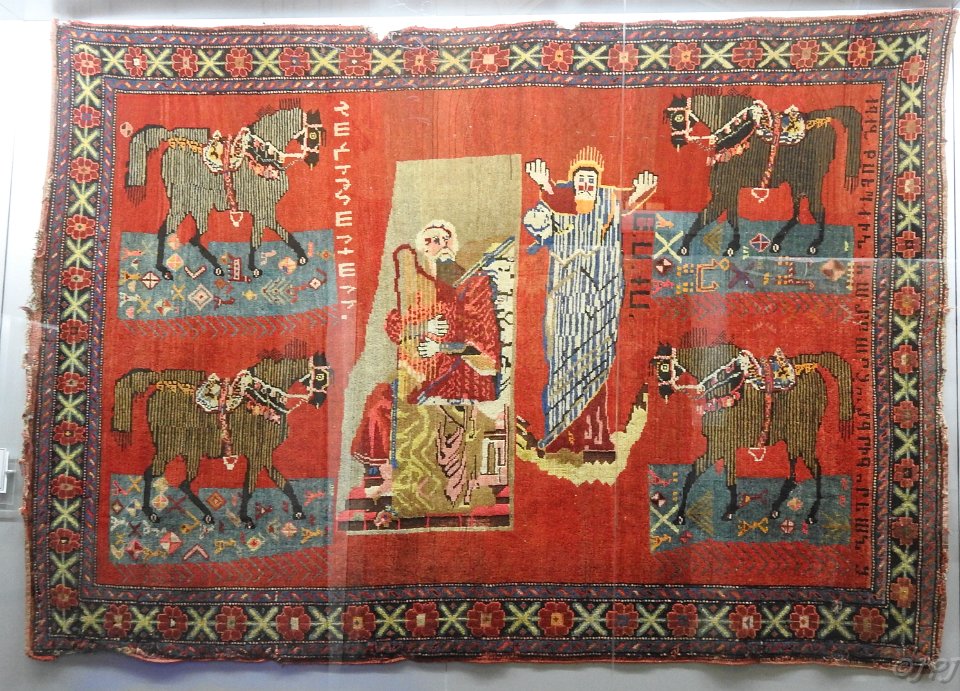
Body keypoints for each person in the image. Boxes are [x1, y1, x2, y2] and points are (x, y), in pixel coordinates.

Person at [351, 220, 501, 505]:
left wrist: (442, 346)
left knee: (394, 405)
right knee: (379, 400)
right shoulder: (416, 287)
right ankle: (388, 476)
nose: (438, 245)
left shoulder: (472, 284)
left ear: (453, 244)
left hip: (461, 373)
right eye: (430, 240)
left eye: (444, 238)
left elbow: (484, 343)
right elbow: (396, 327)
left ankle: (407, 480)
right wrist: (424, 327)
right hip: (422, 372)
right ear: (422, 249)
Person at [522, 148, 657, 457]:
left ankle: (596, 439)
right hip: (567, 302)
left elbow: (630, 204)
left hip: (601, 297)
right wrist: (544, 185)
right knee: (563, 365)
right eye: (580, 179)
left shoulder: (609, 202)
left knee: (596, 362)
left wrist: (641, 192)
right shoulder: (558, 202)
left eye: (591, 180)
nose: (586, 184)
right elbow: (539, 225)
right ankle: (559, 435)